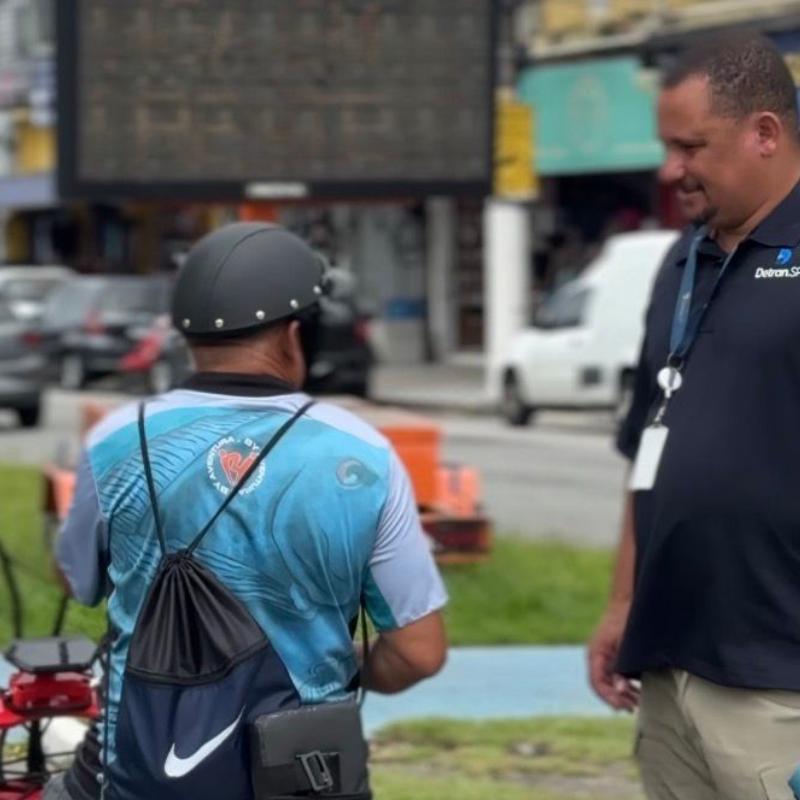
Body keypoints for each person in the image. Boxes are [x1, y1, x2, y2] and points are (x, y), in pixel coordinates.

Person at [48, 222, 448, 800]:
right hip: (302, 778)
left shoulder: (115, 440)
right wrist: (343, 662)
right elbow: (419, 652)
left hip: (132, 777)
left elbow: (75, 579)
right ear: (296, 335)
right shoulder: (363, 456)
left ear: (187, 338)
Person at [588, 31, 800, 799]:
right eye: (665, 146)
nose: (668, 169)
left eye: (690, 146)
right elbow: (648, 446)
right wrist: (621, 604)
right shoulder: (680, 263)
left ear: (764, 133)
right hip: (670, 668)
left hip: (778, 680)